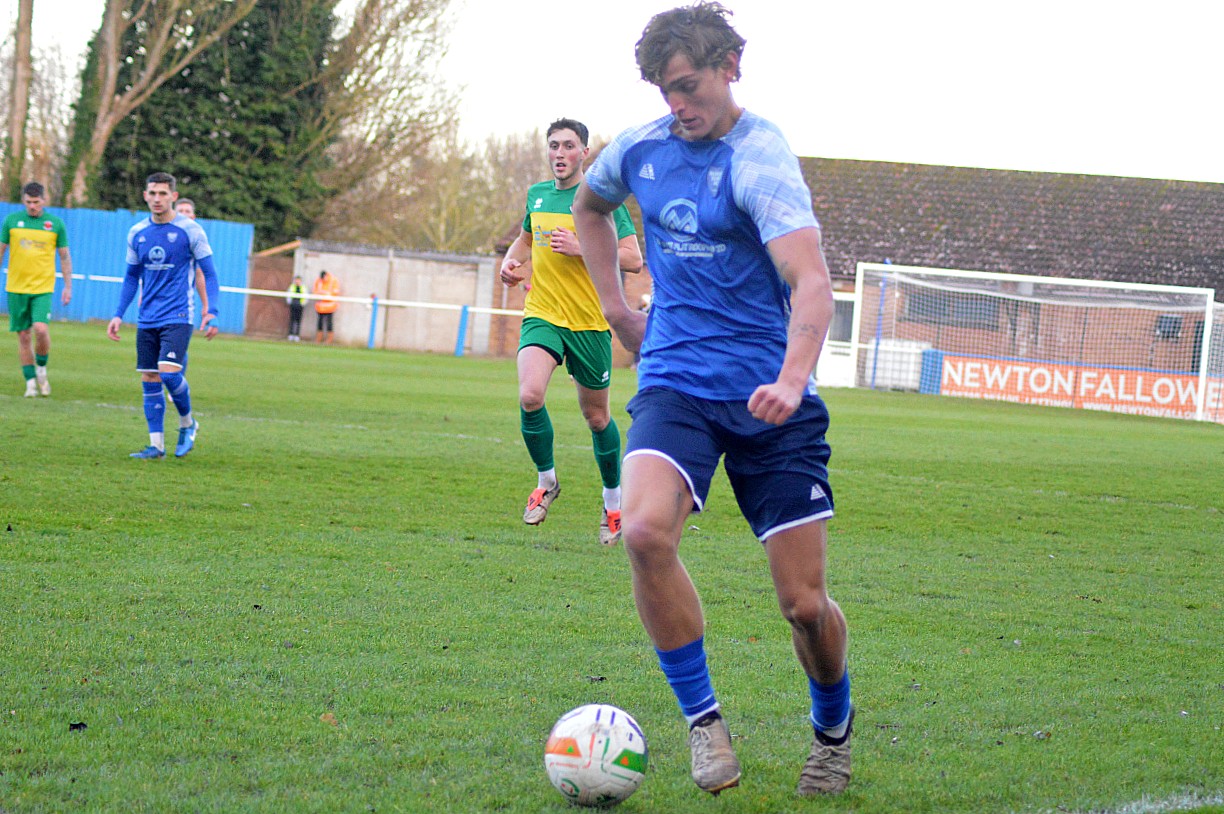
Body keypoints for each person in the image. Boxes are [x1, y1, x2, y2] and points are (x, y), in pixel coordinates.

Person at [572, 2, 852, 797]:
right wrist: (617, 309)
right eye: (666, 91)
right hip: (675, 380)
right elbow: (589, 208)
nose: (678, 106)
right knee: (645, 532)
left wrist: (793, 380)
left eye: (689, 87)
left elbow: (811, 283)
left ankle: (832, 727)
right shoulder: (643, 149)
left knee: (803, 605)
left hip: (770, 395)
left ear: (731, 67)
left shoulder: (761, 161)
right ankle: (703, 723)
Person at [499, 117, 643, 545]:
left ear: (584, 153)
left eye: (567, 146)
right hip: (542, 313)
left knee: (597, 418)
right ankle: (546, 481)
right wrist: (510, 265)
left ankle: (614, 502)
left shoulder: (601, 203)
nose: (559, 154)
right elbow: (525, 241)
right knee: (529, 395)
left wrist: (584, 247)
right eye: (553, 146)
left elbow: (634, 259)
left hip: (590, 323)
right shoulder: (538, 196)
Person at [107, 171, 220, 460]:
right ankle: (156, 446)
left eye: (163, 194)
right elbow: (131, 277)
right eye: (152, 193)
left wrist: (212, 310)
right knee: (149, 376)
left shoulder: (190, 230)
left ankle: (188, 423)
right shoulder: (137, 233)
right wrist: (119, 313)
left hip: (179, 315)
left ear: (173, 196)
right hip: (147, 317)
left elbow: (209, 272)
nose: (157, 199)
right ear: (145, 195)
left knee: (169, 374)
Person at [1, 181, 73, 397]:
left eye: (36, 202)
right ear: (23, 201)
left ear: (43, 200)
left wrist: (68, 286)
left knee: (40, 329)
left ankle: (41, 366)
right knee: (23, 336)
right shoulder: (11, 222)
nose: (32, 206)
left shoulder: (55, 224)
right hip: (16, 287)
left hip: (42, 287)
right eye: (28, 202)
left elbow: (65, 256)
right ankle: (30, 382)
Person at [174, 197, 212, 322]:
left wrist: (206, 304)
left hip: (180, 304)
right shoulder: (158, 234)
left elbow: (200, 273)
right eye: (180, 211)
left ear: (193, 216)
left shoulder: (196, 239)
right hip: (154, 303)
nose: (184, 214)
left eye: (187, 211)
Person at [313, 270, 339, 344]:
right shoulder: (319, 281)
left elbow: (335, 292)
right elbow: (315, 291)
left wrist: (325, 293)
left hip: (330, 306)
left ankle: (329, 340)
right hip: (320, 306)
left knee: (329, 323)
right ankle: (318, 339)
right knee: (320, 322)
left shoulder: (333, 281)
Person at [286, 275, 307, 341]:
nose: (297, 281)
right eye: (296, 280)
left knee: (298, 320)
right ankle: (291, 334)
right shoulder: (292, 287)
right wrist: (290, 302)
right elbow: (288, 295)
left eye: (298, 280)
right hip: (293, 305)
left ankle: (297, 335)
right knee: (292, 320)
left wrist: (302, 304)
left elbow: (306, 297)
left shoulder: (303, 288)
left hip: (300, 305)